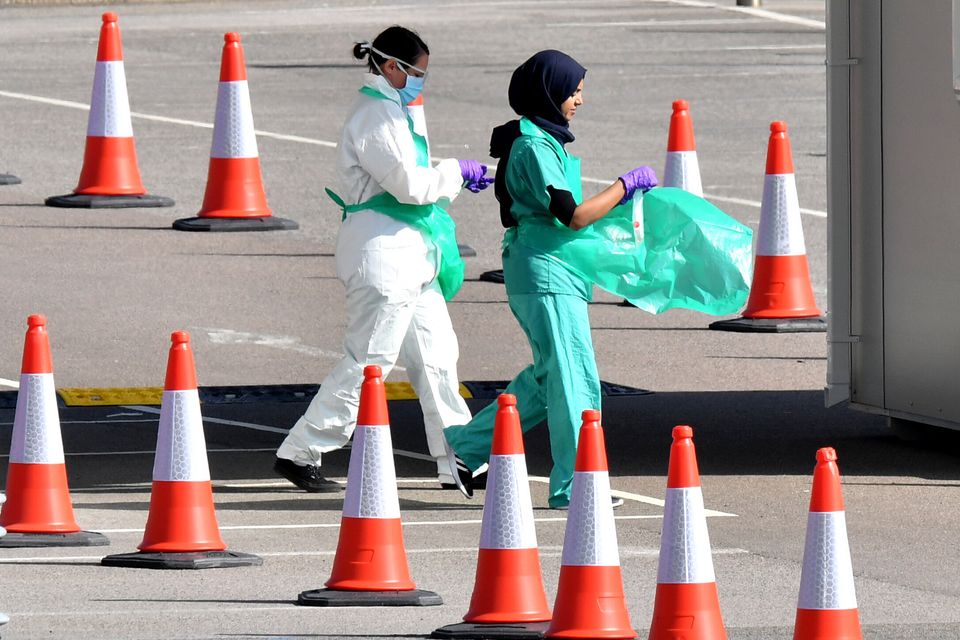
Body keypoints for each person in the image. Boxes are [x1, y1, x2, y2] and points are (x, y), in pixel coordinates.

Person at [274, 26, 493, 492]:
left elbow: (413, 178)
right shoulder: (375, 114)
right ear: (391, 66)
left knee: (438, 359)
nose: (422, 81)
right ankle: (300, 451)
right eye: (418, 72)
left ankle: (461, 458)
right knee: (368, 361)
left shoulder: (393, 108)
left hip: (410, 254)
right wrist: (455, 173)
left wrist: (449, 176)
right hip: (383, 257)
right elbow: (408, 185)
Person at [442, 50, 659, 509]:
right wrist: (623, 186)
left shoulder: (539, 139)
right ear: (550, 91)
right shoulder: (535, 146)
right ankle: (577, 485)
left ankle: (466, 447)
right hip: (545, 272)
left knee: (548, 378)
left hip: (549, 268)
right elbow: (572, 215)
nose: (579, 99)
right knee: (573, 377)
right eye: (574, 91)